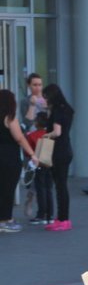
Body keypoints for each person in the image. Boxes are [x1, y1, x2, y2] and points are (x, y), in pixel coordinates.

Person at [0, 90, 38, 233]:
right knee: (8, 188)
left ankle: (4, 218)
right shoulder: (10, 118)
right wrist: (32, 154)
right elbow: (19, 138)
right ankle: (5, 220)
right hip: (9, 157)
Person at [42, 84, 74, 232]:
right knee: (61, 186)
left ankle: (63, 219)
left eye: (46, 97)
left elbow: (57, 132)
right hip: (66, 149)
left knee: (60, 186)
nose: (45, 100)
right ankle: (61, 217)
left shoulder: (57, 110)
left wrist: (44, 136)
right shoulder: (67, 109)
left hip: (58, 151)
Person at [25, 111, 54, 225]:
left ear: (37, 123)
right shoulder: (50, 134)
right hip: (49, 164)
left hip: (38, 165)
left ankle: (41, 214)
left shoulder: (32, 136)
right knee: (48, 189)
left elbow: (28, 153)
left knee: (40, 189)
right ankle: (50, 214)